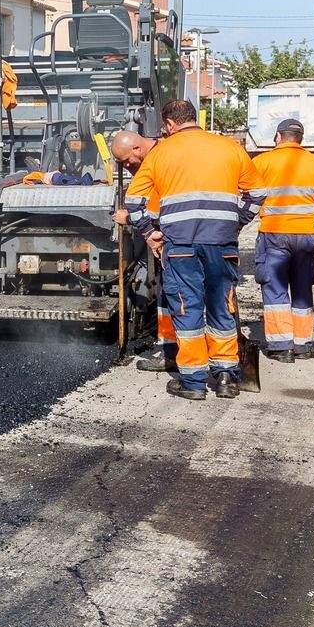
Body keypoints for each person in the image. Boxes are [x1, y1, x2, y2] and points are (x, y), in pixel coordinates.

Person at [125, 100, 258, 401]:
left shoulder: (161, 153)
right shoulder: (229, 147)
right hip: (221, 242)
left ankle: (194, 382)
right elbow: (258, 194)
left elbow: (134, 202)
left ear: (170, 125)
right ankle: (226, 378)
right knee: (222, 304)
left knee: (186, 307)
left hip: (180, 244)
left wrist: (150, 232)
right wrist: (236, 223)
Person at [249, 118, 314, 361]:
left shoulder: (263, 161)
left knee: (274, 287)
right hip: (306, 233)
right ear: (301, 140)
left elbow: (247, 192)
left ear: (278, 137)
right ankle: (302, 345)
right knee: (302, 288)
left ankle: (281, 347)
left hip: (274, 233)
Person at [108, 129, 176, 374]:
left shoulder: (161, 158)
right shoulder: (156, 156)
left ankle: (174, 353)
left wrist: (132, 218)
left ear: (137, 147)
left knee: (174, 295)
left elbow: (162, 203)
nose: (127, 166)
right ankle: (174, 349)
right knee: (170, 294)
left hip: (171, 238)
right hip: (173, 237)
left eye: (127, 160)